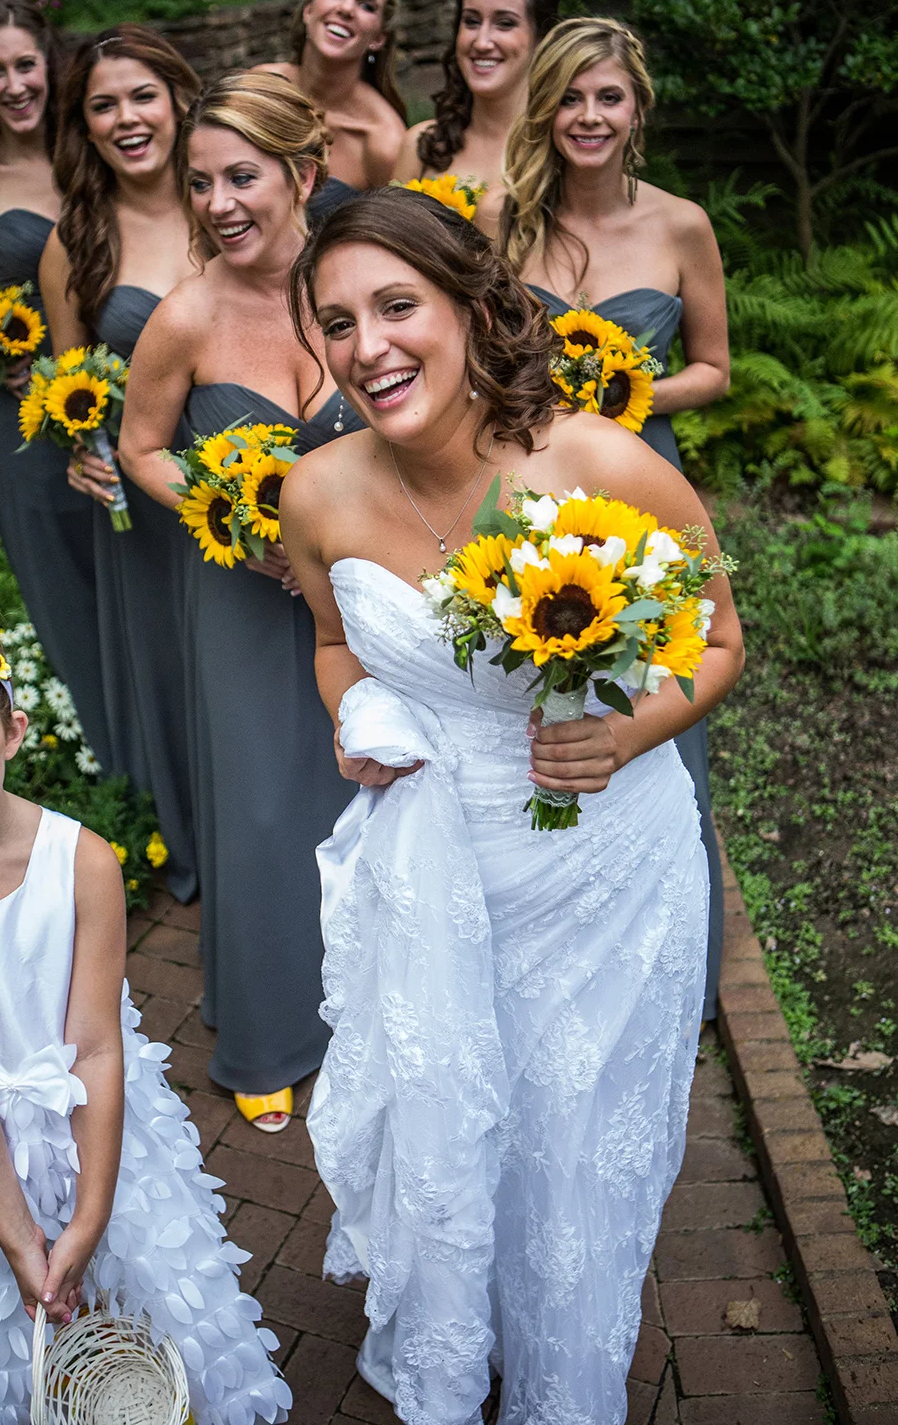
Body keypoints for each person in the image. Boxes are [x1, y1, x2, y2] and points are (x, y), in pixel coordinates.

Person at [279, 189, 744, 1425]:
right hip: (437, 867)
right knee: (452, 1125)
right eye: (338, 322)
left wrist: (626, 730)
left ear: (474, 307)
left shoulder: (600, 462)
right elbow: (334, 642)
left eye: (397, 305)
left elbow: (720, 637)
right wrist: (354, 714)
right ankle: (457, 1328)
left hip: (604, 866)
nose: (368, 345)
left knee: (564, 1140)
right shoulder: (314, 494)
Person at [0, 565, 292, 1425]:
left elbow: (98, 1046)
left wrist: (89, 1215)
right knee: (0, 1353)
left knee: (148, 1320)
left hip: (95, 1128)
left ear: (13, 730)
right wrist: (17, 1237)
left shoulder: (82, 862)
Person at [119, 71, 361, 1133]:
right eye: (201, 181)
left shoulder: (360, 283)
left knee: (377, 786)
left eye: (242, 177)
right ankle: (272, 1027)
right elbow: (140, 448)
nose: (218, 202)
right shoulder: (185, 316)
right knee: (264, 807)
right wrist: (230, 515)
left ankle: (380, 1007)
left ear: (303, 174)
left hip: (365, 592)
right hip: (244, 600)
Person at [502, 15, 731, 1018]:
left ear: (637, 108)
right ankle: (557, 951)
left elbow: (714, 369)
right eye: (569, 96)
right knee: (536, 698)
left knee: (658, 689)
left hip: (646, 483)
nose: (588, 115)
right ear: (545, 109)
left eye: (608, 96)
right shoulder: (503, 222)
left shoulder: (680, 224)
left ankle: (669, 973)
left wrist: (625, 393)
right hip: (529, 482)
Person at [38, 25, 201, 900]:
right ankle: (196, 835)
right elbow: (70, 384)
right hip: (143, 504)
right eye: (104, 105)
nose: (127, 118)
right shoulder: (76, 240)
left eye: (143, 95)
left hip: (247, 480)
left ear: (179, 99)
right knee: (175, 671)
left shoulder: (225, 198)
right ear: (85, 126)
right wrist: (81, 451)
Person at [0, 0, 109, 768]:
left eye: (25, 64)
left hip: (120, 384)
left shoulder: (98, 147)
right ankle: (111, 762)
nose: (14, 85)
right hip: (24, 413)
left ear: (52, 64)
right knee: (64, 579)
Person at [392, 0, 558, 239]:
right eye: (471, 21)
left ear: (542, 38)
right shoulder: (422, 146)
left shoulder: (559, 153)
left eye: (505, 23)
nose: (481, 42)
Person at [255, 0, 407, 220]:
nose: (346, 9)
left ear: (378, 38)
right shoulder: (259, 87)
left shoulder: (383, 142)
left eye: (367, 5)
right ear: (309, 10)